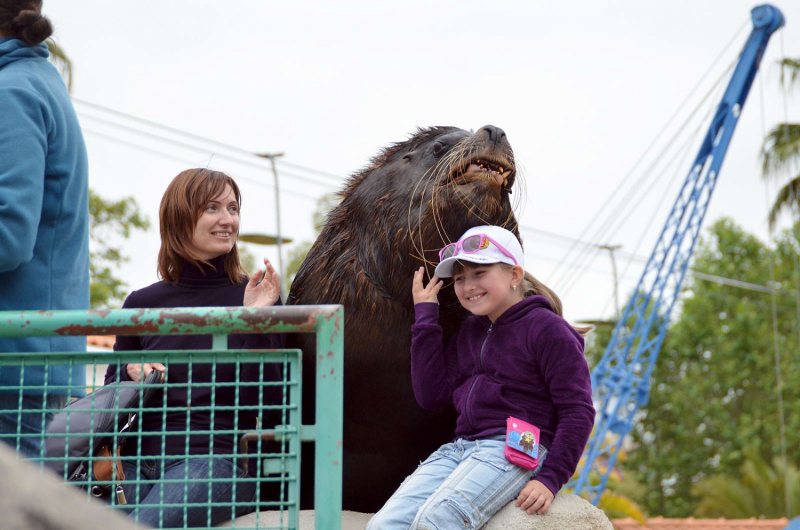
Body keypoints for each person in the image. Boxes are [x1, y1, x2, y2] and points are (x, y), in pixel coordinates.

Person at [367, 225, 595, 530]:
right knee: (385, 524)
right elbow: (431, 396)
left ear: (514, 276)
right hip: (460, 449)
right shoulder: (470, 331)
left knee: (438, 519)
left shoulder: (549, 329)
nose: (467, 285)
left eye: (479, 273)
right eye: (460, 278)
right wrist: (425, 316)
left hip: (516, 447)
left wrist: (550, 479)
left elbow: (578, 411)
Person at [103, 168, 285, 528]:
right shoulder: (141, 302)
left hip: (217, 461)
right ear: (180, 216)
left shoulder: (257, 296)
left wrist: (254, 321)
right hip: (140, 460)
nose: (227, 219)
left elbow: (270, 401)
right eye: (213, 208)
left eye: (233, 209)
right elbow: (110, 395)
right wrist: (131, 372)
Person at [0, 1, 89, 458]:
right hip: (28, 358)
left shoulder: (13, 91)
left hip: (13, 362)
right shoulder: (37, 82)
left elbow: (10, 235)